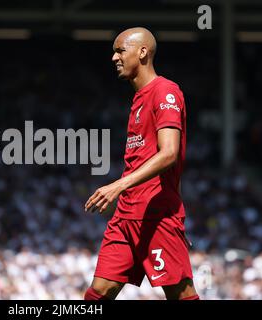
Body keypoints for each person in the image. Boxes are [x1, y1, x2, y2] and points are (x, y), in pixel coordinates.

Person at [84, 27, 199, 300]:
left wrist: (118, 185)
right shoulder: (138, 99)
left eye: (120, 50)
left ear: (143, 52)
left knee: (181, 294)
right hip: (125, 215)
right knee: (99, 291)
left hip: (157, 215)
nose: (114, 57)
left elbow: (169, 153)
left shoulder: (166, 91)